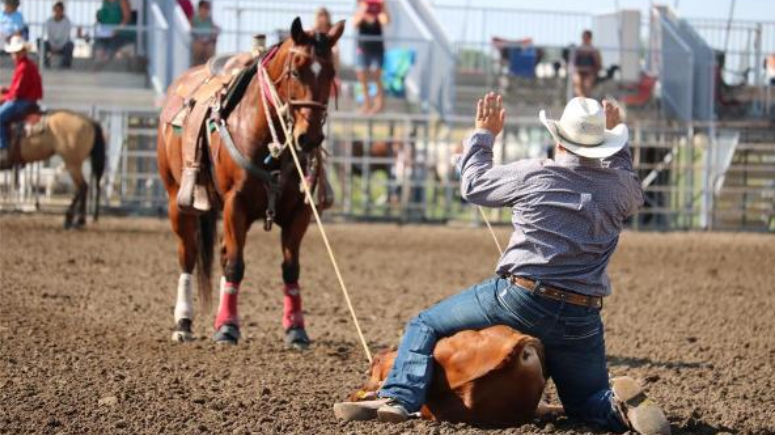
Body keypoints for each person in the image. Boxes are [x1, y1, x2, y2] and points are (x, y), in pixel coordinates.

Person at [333, 94, 671, 435]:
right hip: (581, 314)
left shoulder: (535, 173)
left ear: (558, 139)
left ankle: (399, 399)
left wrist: (483, 135)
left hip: (521, 298)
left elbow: (473, 185)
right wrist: (617, 136)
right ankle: (618, 409)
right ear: (601, 145)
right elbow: (625, 173)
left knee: (425, 324)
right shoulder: (621, 189)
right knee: (586, 402)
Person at [0, 36, 42, 167]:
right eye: (14, 52)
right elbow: (18, 89)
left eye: (17, 52)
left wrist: (3, 97)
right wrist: (6, 91)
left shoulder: (23, 67)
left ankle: (3, 149)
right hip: (26, 99)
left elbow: (17, 93)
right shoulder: (26, 65)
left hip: (24, 101)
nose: (15, 55)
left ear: (24, 51)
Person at [353, 0, 389, 114]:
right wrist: (364, 10)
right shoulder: (360, 9)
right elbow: (355, 23)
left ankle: (380, 103)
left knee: (376, 74)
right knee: (362, 75)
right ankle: (367, 103)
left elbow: (386, 21)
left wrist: (382, 8)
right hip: (363, 47)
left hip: (377, 48)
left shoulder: (380, 10)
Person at [572, 30, 602, 97]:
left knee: (587, 83)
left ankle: (586, 100)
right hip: (579, 72)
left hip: (590, 73)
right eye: (583, 37)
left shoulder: (594, 51)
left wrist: (591, 69)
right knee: (577, 80)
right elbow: (574, 65)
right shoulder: (578, 50)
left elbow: (599, 66)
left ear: (590, 38)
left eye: (586, 37)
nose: (585, 39)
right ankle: (581, 100)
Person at [44, 2, 74, 68]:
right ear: (53, 10)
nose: (57, 12)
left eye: (59, 10)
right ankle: (45, 63)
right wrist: (53, 46)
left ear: (62, 11)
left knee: (70, 45)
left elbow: (65, 37)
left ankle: (65, 66)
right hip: (52, 46)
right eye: (56, 10)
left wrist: (58, 47)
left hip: (63, 46)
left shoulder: (67, 22)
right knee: (41, 42)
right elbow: (49, 35)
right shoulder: (49, 21)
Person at [190, 1, 218, 66]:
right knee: (198, 47)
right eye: (203, 8)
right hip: (198, 41)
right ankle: (195, 66)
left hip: (208, 42)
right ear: (199, 9)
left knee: (210, 49)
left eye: (206, 9)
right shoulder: (195, 19)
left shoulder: (209, 20)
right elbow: (192, 31)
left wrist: (211, 37)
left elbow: (214, 29)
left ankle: (209, 66)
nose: (205, 11)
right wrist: (199, 39)